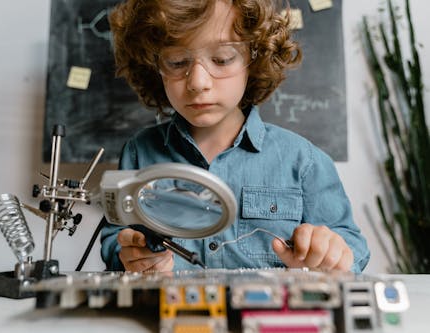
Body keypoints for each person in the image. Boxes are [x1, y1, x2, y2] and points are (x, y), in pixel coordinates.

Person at [100, 0, 370, 273]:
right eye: (177, 61)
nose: (197, 83)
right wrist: (132, 255)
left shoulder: (304, 161)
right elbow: (115, 239)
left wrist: (331, 254)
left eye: (222, 59)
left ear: (255, 58)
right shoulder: (139, 152)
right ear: (154, 65)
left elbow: (353, 247)